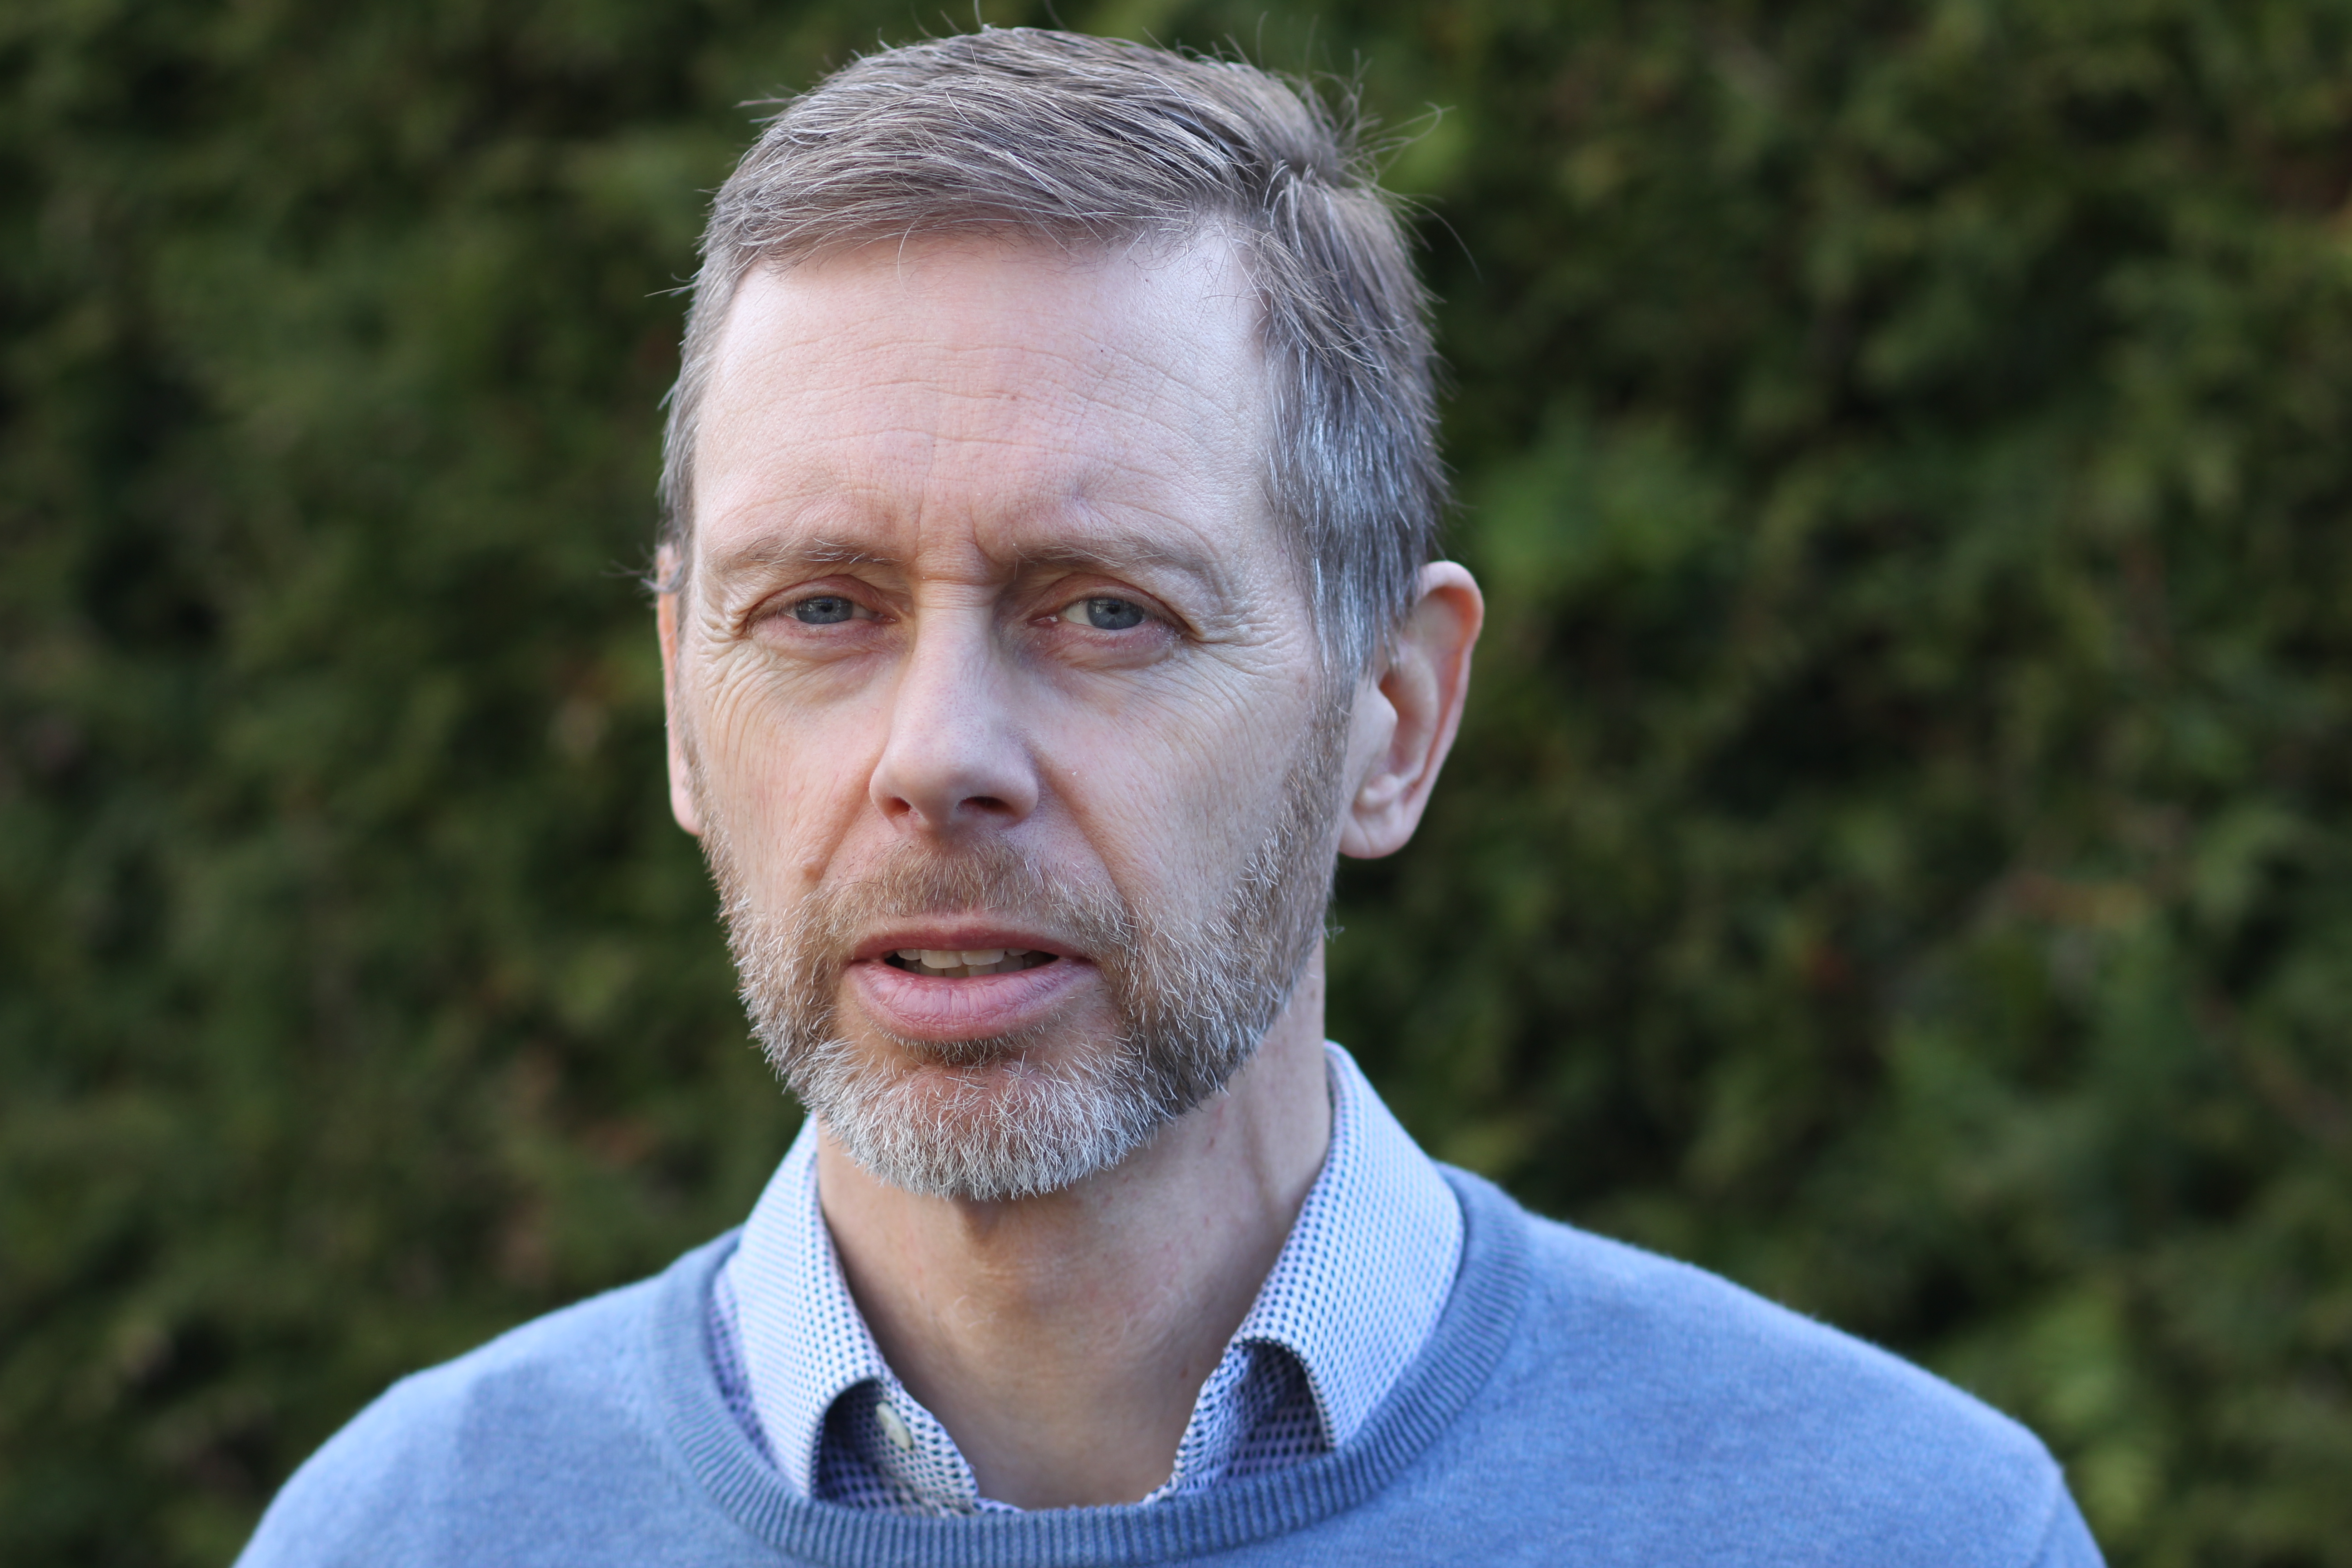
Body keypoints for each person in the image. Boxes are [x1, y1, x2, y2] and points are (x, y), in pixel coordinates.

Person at [236, 28, 2102, 1567]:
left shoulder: (1900, 1531)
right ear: (677, 707)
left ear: (1393, 716)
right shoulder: (405, 1534)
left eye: (1107, 611)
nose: (937, 757)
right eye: (821, 610)